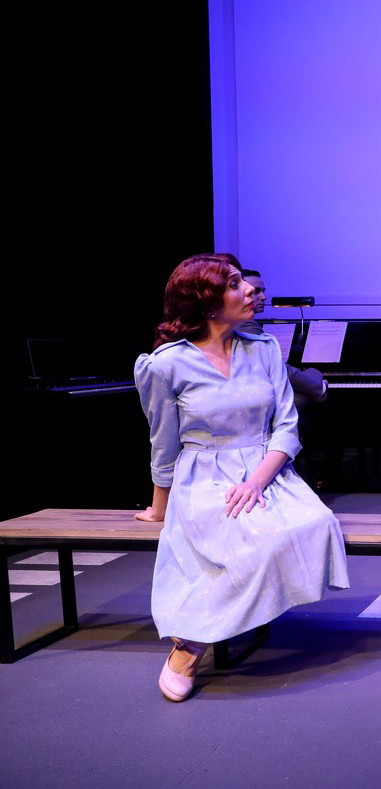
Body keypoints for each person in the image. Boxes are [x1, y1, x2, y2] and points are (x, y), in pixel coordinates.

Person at [133, 253, 349, 701]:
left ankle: (200, 631)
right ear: (206, 301)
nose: (250, 289)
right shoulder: (165, 365)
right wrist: (159, 509)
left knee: (315, 523)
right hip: (203, 475)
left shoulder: (264, 348)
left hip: (267, 470)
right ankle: (190, 644)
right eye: (234, 284)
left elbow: (286, 426)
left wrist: (256, 481)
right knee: (249, 544)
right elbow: (163, 444)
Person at [238, 269, 328, 409]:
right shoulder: (245, 324)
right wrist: (318, 387)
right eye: (256, 291)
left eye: (263, 291)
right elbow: (278, 369)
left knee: (310, 378)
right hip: (255, 402)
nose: (263, 297)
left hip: (259, 391)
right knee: (313, 377)